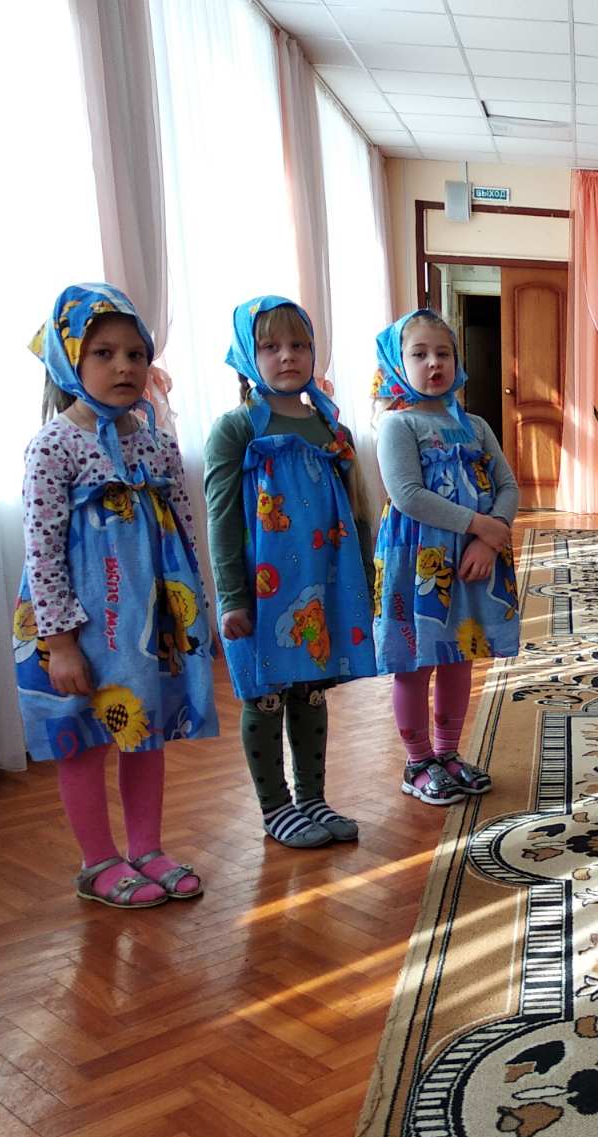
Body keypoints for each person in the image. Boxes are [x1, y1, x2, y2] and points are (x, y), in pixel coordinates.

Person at [15, 283, 217, 907]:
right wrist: (59, 643)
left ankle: (147, 848)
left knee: (144, 731)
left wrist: (196, 615)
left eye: (136, 354)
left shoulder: (157, 441)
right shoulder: (53, 446)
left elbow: (184, 529)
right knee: (82, 739)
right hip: (79, 627)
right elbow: (42, 552)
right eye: (104, 354)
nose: (124, 366)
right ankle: (97, 861)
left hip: (147, 622)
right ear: (68, 361)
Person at [204, 296, 377, 849]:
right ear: (247, 355)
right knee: (265, 697)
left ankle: (312, 798)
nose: (288, 356)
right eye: (271, 346)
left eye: (299, 345)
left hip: (324, 585)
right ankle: (275, 808)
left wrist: (365, 578)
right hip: (262, 594)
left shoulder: (329, 425)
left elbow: (357, 507)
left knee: (311, 693)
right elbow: (221, 519)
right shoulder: (235, 429)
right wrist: (232, 597)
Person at [373, 310, 520, 805]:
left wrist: (489, 541)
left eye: (443, 353)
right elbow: (408, 495)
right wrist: (480, 525)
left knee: (460, 657)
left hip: (474, 560)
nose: (433, 363)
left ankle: (448, 753)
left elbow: (507, 485)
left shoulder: (475, 426)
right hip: (419, 562)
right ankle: (417, 762)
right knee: (416, 662)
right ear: (399, 363)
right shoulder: (398, 424)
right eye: (419, 354)